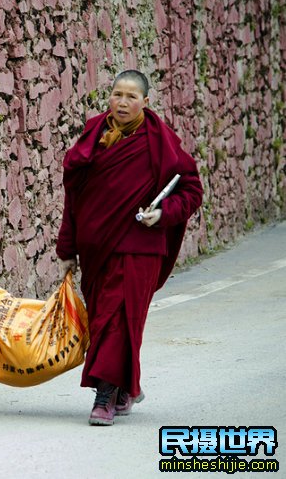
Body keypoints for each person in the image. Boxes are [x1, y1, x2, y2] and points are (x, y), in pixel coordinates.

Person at [56, 70, 203, 426]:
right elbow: (74, 195)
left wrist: (163, 214)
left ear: (146, 102)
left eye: (131, 97)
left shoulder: (160, 141)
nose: (122, 102)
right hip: (95, 248)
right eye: (117, 95)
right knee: (107, 321)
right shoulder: (94, 134)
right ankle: (124, 387)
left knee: (119, 319)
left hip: (139, 245)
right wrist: (67, 249)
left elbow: (191, 190)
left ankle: (104, 396)